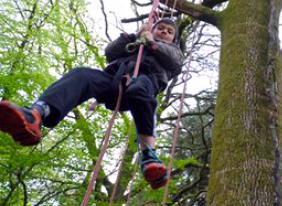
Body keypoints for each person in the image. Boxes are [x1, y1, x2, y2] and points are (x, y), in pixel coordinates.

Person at [0, 18, 183, 189]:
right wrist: (135, 35)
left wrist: (152, 42)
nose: (164, 32)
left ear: (174, 38)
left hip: (144, 83)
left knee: (140, 90)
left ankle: (148, 154)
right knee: (82, 75)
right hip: (113, 82)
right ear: (152, 29)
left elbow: (174, 62)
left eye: (169, 31)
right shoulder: (136, 44)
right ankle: (37, 114)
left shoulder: (172, 51)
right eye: (160, 28)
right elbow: (110, 53)